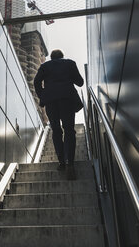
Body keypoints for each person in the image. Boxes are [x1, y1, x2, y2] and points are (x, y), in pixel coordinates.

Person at [34, 49, 84, 180]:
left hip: (51, 101)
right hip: (67, 98)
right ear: (62, 56)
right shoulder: (70, 64)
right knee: (69, 130)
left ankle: (61, 161)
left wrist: (43, 95)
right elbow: (80, 82)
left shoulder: (45, 66)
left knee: (56, 130)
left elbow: (36, 82)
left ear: (51, 57)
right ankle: (70, 163)